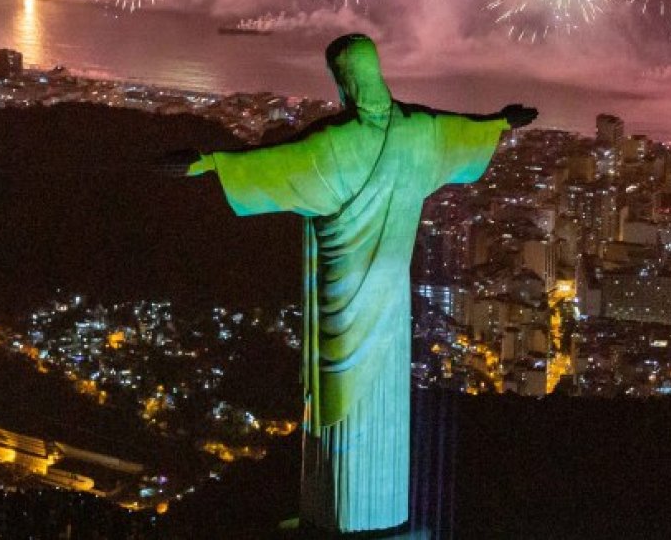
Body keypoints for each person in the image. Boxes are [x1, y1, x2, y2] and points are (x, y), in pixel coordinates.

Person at [161, 34, 537, 535]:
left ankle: (341, 514)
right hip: (390, 305)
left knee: (338, 411)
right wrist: (500, 123)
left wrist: (210, 162)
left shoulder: (337, 144)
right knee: (385, 404)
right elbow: (458, 133)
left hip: (342, 301)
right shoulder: (419, 133)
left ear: (343, 81)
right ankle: (376, 516)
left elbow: (277, 164)